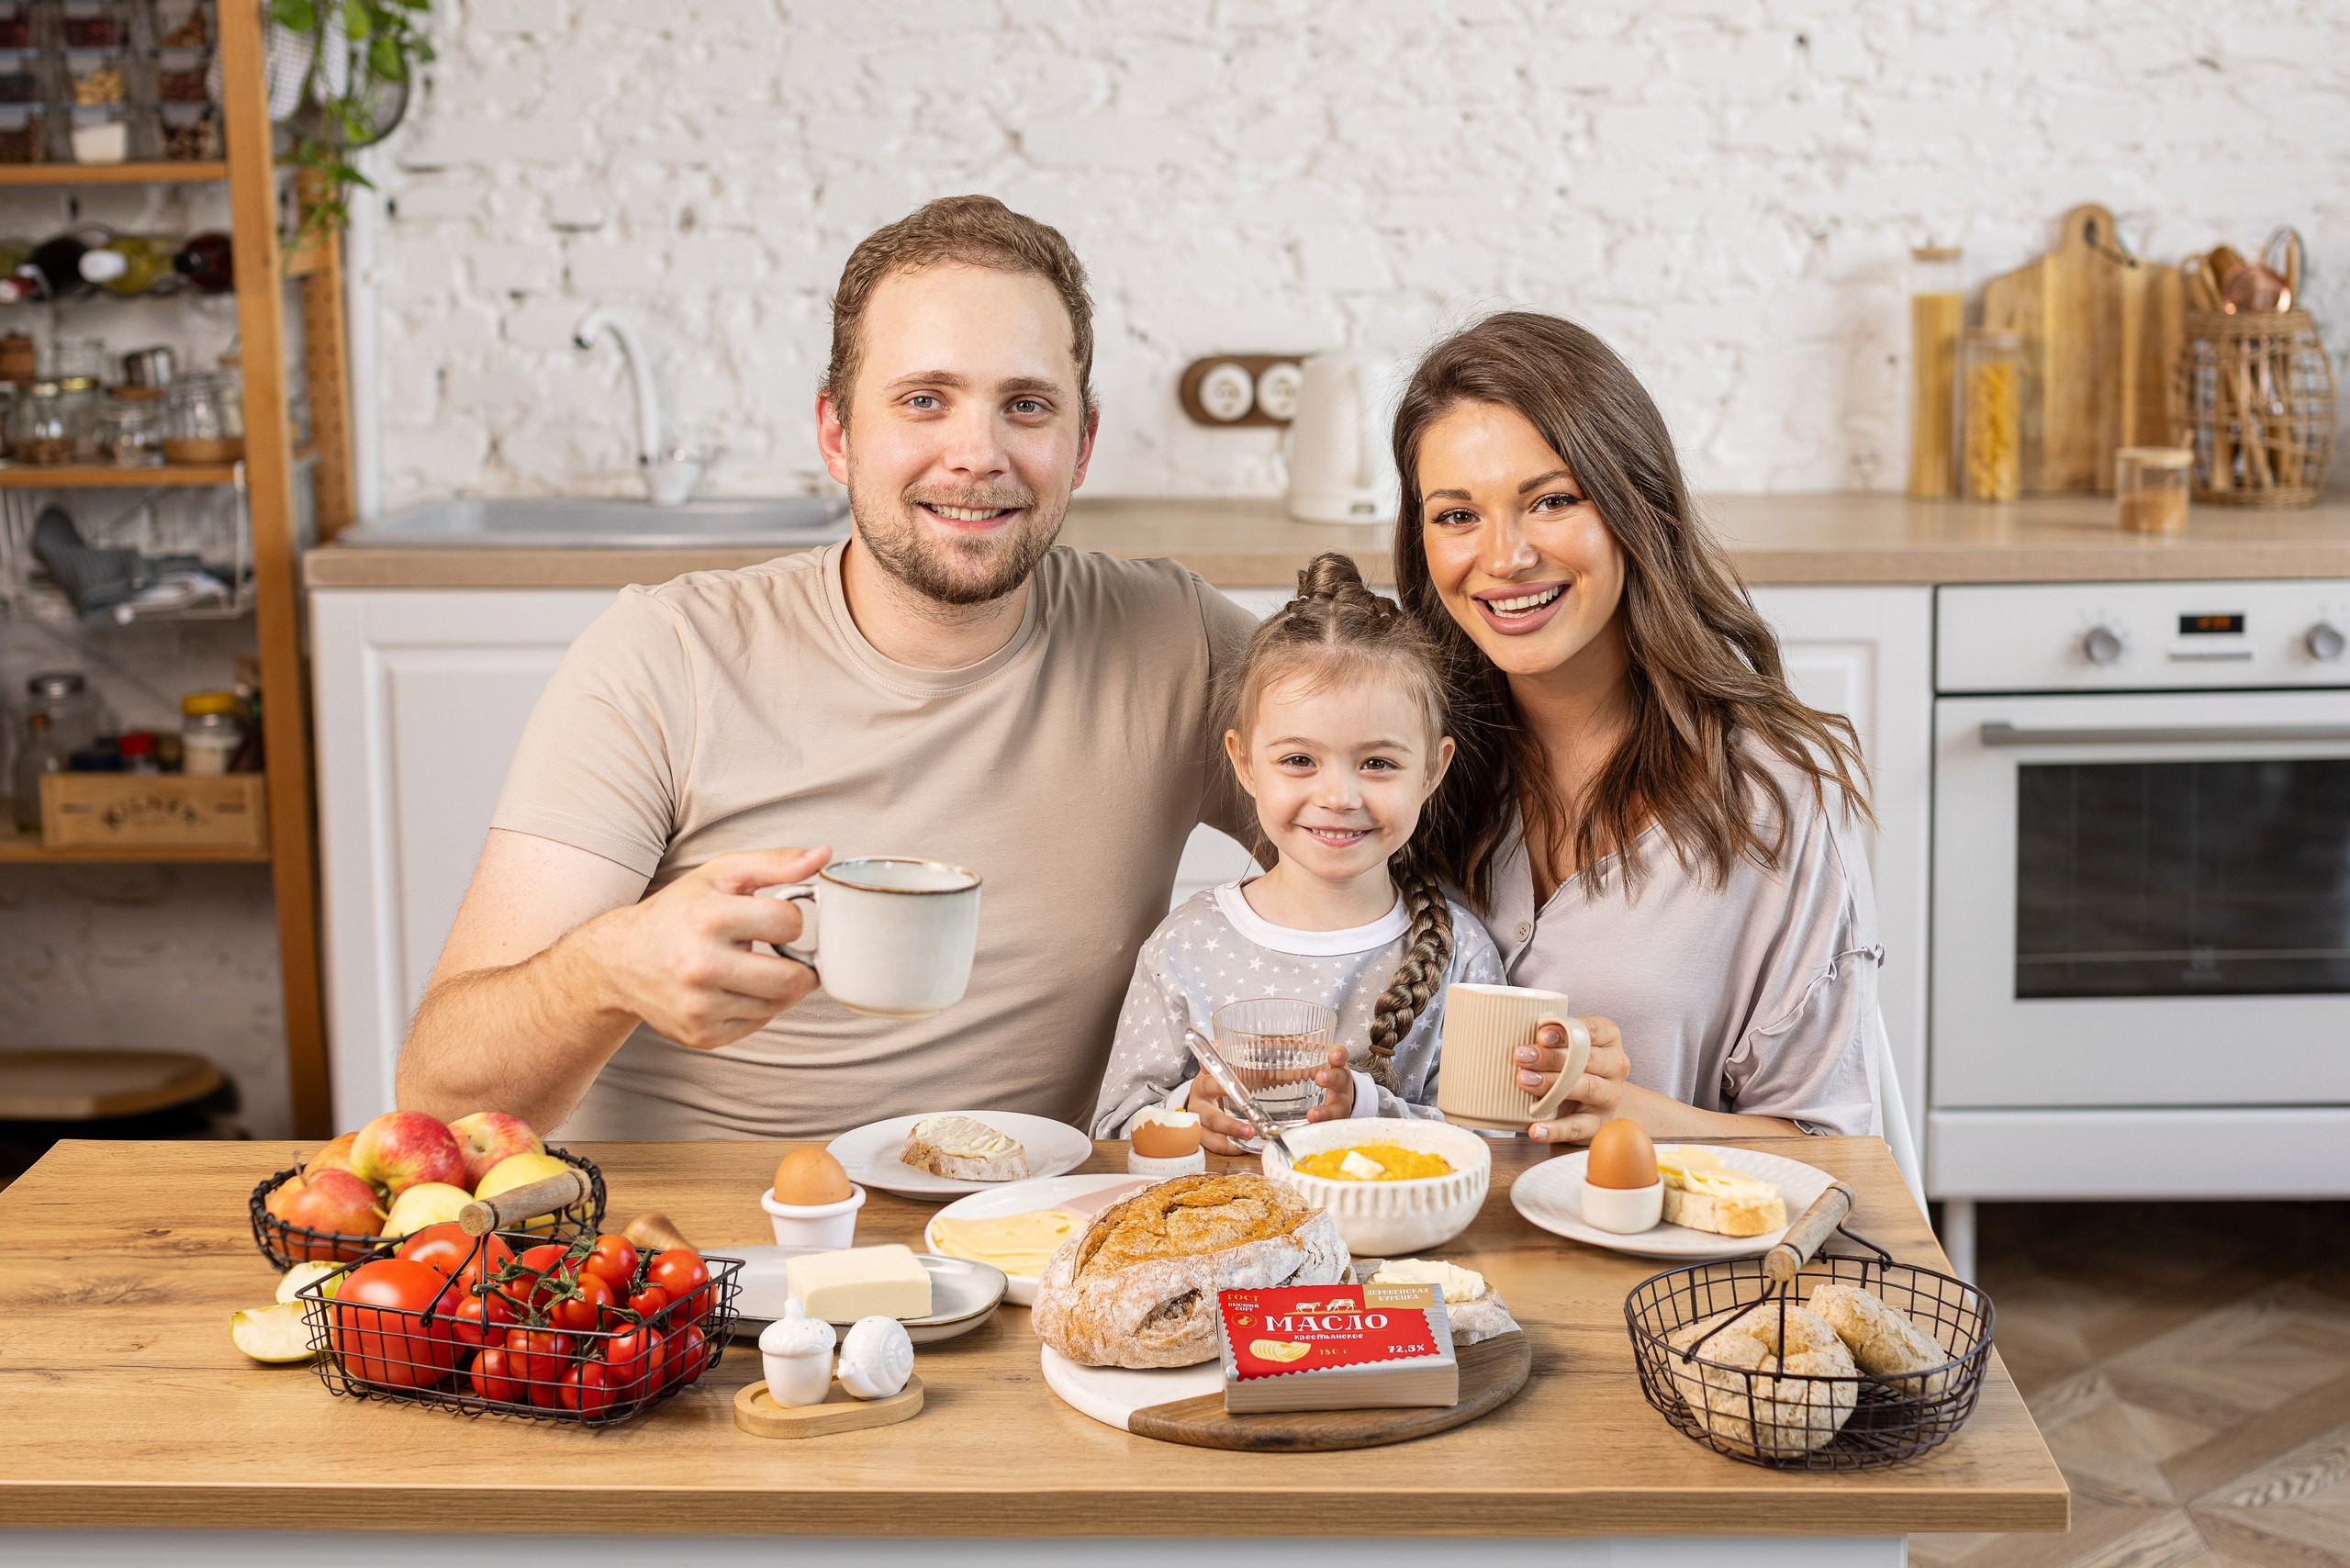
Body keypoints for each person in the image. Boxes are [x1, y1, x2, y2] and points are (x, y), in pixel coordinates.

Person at [396, 196, 1260, 1140]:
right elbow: (439, 1095)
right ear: (836, 433)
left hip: (1022, 1246)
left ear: (1081, 444)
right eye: (923, 399)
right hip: (707, 1256)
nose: (976, 455)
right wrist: (603, 968)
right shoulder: (664, 658)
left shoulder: (1173, 639)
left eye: (1025, 406)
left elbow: (1406, 841)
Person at [1392, 311, 1883, 1143]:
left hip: (1669, 1271)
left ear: (1633, 506)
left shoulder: (1771, 798)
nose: (1504, 558)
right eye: (1456, 515)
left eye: (1551, 501)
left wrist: (1635, 1117)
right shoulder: (1393, 762)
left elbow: (1837, 1156)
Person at [1091, 553, 1505, 1152]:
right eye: (1299, 761)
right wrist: (1189, 1113)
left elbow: (1492, 1146)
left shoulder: (1464, 957)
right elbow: (1111, 1130)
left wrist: (1365, 1107)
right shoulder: (1186, 948)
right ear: (1244, 763)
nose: (1338, 796)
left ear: (1433, 770)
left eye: (1378, 763)